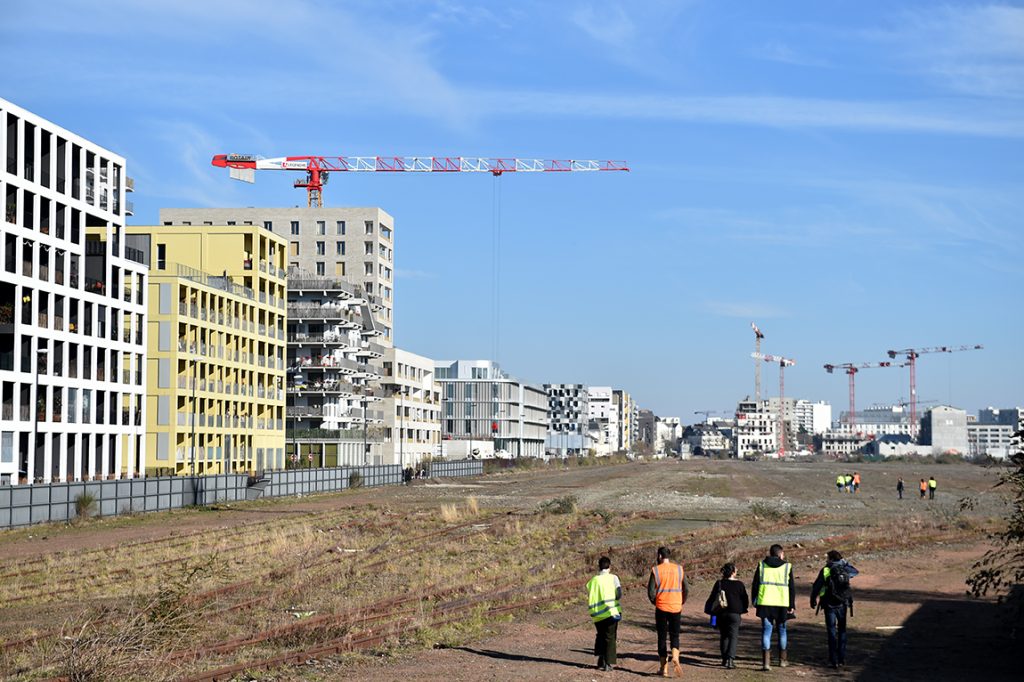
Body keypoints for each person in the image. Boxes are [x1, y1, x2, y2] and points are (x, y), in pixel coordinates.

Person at [810, 549, 859, 669]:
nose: (826, 560)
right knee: (842, 630)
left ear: (831, 559)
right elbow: (856, 572)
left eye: (827, 558)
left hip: (829, 604)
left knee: (831, 631)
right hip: (843, 603)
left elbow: (817, 586)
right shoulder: (845, 569)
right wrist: (845, 562)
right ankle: (842, 658)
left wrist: (812, 599)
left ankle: (833, 659)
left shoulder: (826, 570)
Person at [751, 543, 795, 671]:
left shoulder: (761, 565)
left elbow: (755, 585)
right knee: (782, 631)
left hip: (765, 603)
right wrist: (791, 604)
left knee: (766, 631)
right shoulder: (787, 566)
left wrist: (755, 601)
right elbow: (791, 588)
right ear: (780, 554)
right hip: (782, 603)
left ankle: (766, 663)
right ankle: (782, 660)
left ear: (770, 553)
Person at [647, 546, 689, 677]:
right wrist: (681, 601)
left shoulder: (656, 570)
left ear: (659, 556)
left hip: (661, 607)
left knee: (662, 637)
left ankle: (663, 668)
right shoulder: (679, 569)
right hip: (676, 606)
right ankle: (675, 656)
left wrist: (656, 602)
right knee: (675, 635)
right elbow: (686, 588)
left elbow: (650, 592)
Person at [704, 562, 749, 669]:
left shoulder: (719, 583)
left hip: (721, 613)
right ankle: (730, 659)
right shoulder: (740, 584)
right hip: (735, 614)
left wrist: (711, 611)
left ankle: (724, 658)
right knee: (733, 636)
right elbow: (745, 599)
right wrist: (743, 609)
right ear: (733, 572)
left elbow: (712, 598)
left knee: (724, 636)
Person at [587, 556, 622, 672]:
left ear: (599, 567)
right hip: (611, 612)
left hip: (597, 614)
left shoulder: (593, 580)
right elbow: (619, 594)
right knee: (610, 637)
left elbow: (590, 591)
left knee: (600, 635)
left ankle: (600, 659)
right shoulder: (614, 578)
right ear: (609, 567)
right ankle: (608, 663)